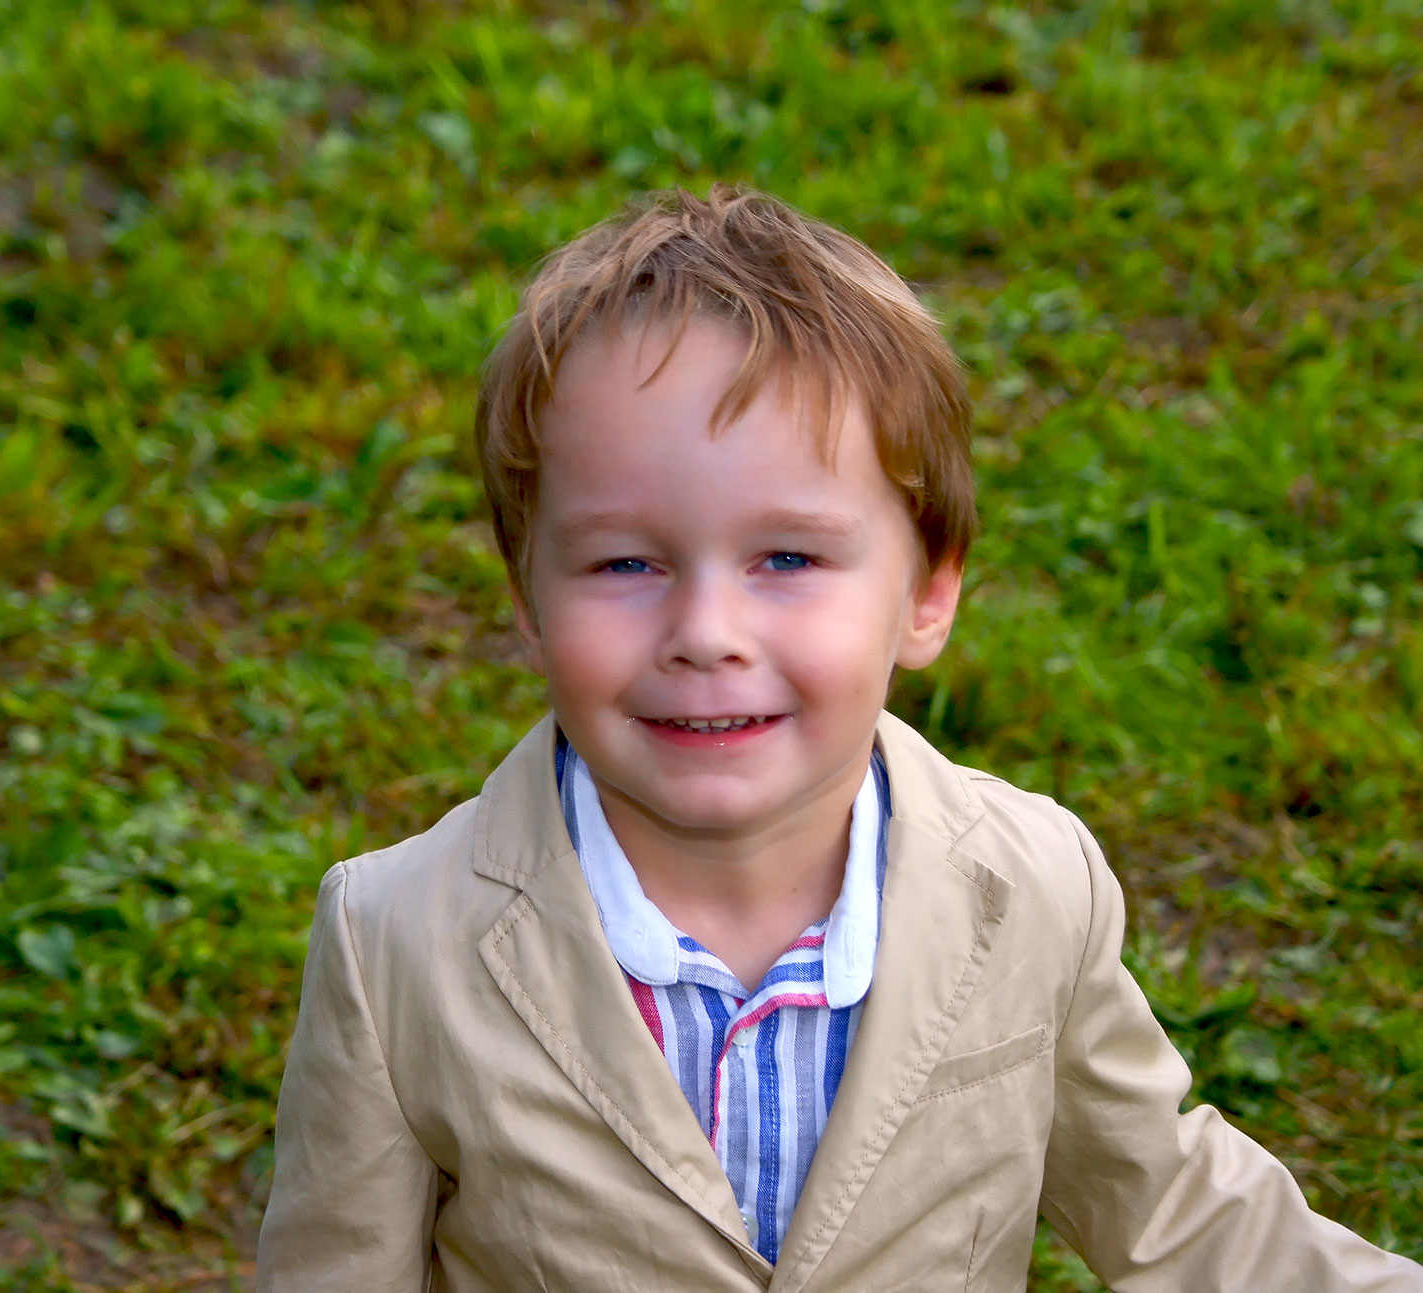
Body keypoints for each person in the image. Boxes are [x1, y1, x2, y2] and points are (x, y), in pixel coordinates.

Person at [256, 185, 1421, 1291]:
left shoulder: (1030, 885)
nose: (706, 633)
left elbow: (1174, 1210)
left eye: (787, 558)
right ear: (527, 599)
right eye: (625, 563)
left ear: (927, 594)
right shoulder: (395, 943)